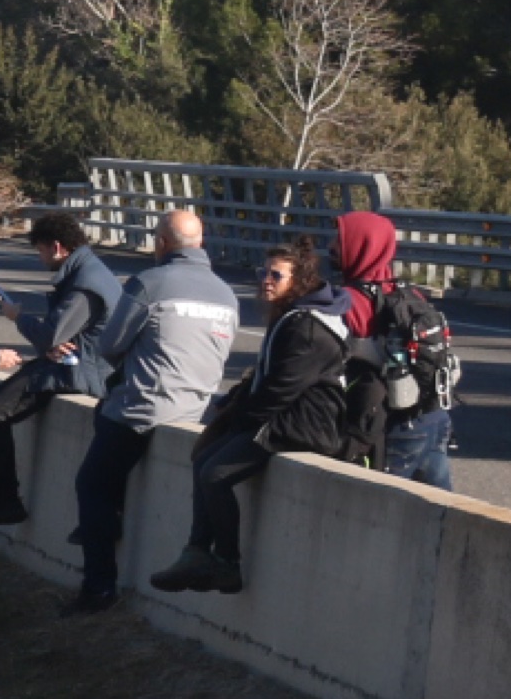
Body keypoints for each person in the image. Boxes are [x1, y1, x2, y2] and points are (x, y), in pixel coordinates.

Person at [154, 237, 363, 596]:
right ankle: (197, 552)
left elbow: (281, 389)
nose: (266, 279)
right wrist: (235, 401)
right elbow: (267, 377)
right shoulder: (293, 316)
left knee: (215, 474)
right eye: (263, 272)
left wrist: (240, 418)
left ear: (299, 281)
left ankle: (227, 564)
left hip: (302, 426)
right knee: (203, 455)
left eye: (276, 275)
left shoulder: (307, 327)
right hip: (280, 416)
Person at [66, 205, 238, 609]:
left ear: (161, 243)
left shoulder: (150, 283)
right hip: (198, 408)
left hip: (142, 408)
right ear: (201, 244)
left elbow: (110, 346)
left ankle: (98, 587)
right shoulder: (227, 294)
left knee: (91, 483)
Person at [0, 210, 127, 537]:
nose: (40, 259)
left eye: (39, 251)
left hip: (82, 372)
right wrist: (55, 341)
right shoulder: (88, 272)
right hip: (81, 364)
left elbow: (50, 336)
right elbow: (59, 337)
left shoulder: (85, 283)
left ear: (57, 247)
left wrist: (17, 317)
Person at [327, 209, 463, 491]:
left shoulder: (348, 301)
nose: (331, 247)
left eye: (339, 241)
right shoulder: (410, 294)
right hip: (434, 416)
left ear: (360, 245)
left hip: (395, 423)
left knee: (378, 507)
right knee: (438, 511)